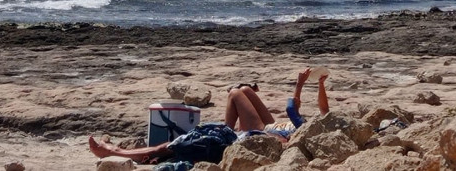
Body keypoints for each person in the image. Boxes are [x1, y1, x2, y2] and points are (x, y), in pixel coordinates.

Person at [87, 68, 331, 164]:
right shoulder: (325, 124)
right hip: (274, 126)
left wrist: (299, 84)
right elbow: (323, 110)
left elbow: (292, 110)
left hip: (267, 132)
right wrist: (320, 84)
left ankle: (228, 127)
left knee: (236, 94)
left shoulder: (313, 131)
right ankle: (232, 120)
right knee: (244, 90)